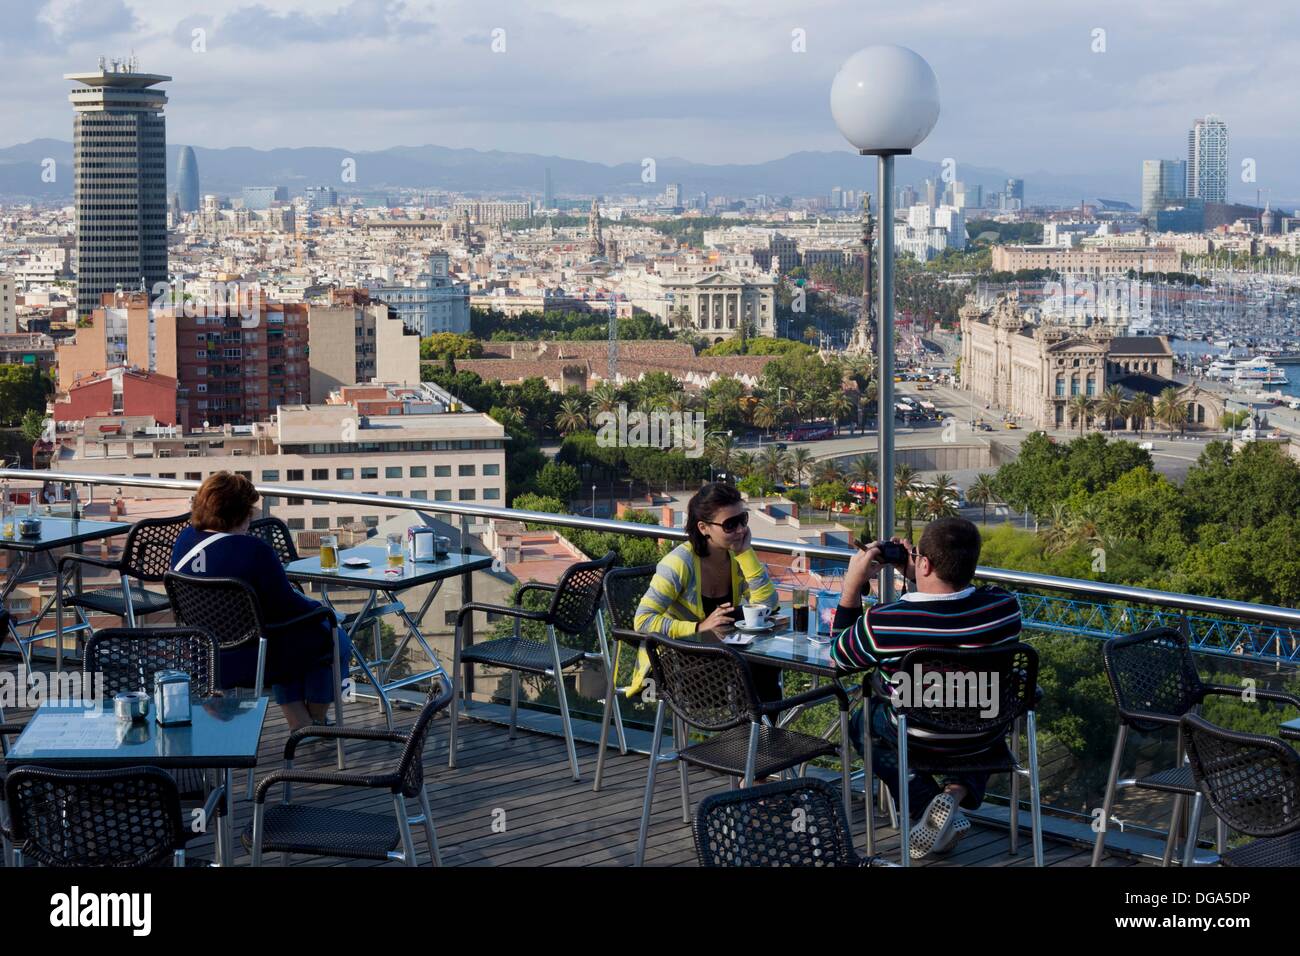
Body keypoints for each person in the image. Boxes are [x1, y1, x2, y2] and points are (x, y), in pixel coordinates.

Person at [831, 516, 1021, 859]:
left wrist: (851, 586)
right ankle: (955, 793)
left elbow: (839, 657)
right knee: (977, 703)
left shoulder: (883, 624)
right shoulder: (1005, 609)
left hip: (916, 736)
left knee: (864, 721)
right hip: (984, 735)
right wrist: (918, 572)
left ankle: (923, 805)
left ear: (926, 563)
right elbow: (948, 609)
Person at [171, 472, 352, 733]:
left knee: (284, 637)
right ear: (238, 514)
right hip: (255, 660)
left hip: (205, 657)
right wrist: (322, 611)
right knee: (335, 638)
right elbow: (286, 607)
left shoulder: (184, 541)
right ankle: (316, 722)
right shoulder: (254, 551)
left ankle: (299, 722)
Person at [634, 481, 782, 701]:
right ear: (704, 528)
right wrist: (699, 626)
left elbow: (769, 605)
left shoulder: (735, 557)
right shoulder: (678, 564)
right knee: (760, 673)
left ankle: (757, 733)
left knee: (766, 667)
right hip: (675, 666)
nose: (741, 530)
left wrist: (746, 553)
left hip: (721, 659)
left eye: (743, 520)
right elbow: (643, 621)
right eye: (730, 524)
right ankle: (756, 732)